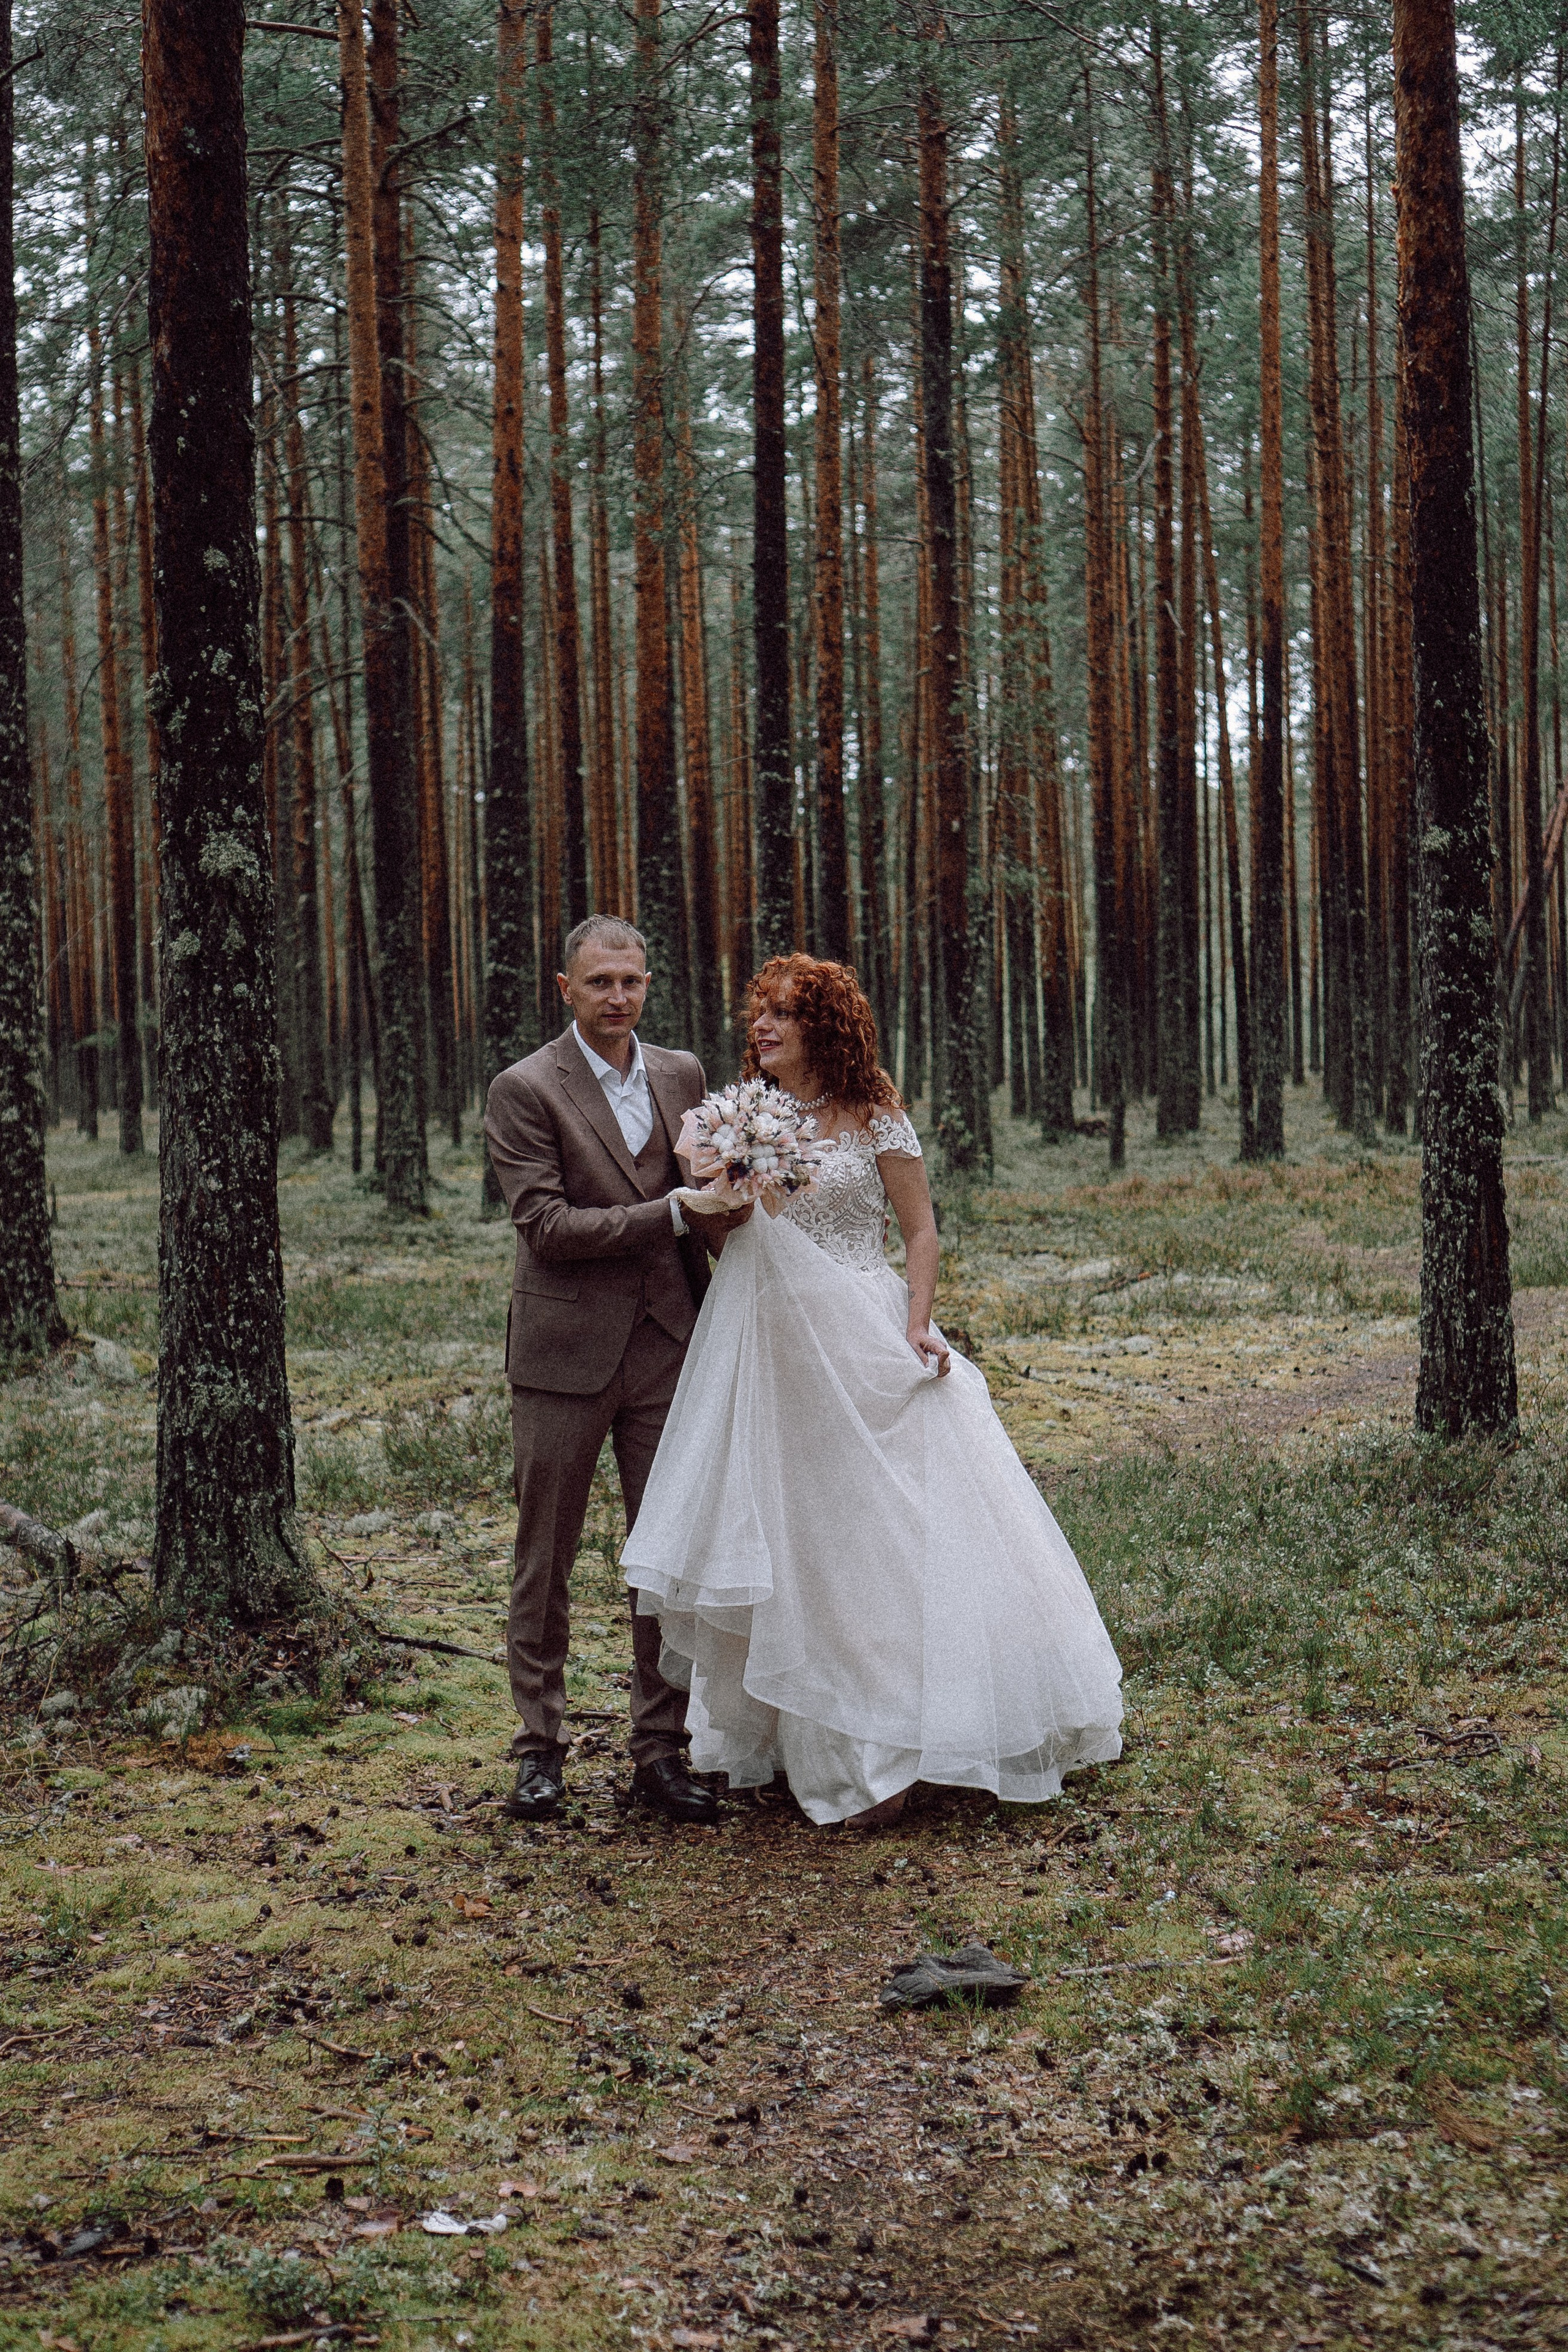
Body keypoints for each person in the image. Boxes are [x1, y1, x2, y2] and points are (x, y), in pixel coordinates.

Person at [622, 953, 1124, 1830]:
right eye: (759, 1013)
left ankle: (907, 1747)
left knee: (879, 1540)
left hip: (864, 1329)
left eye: (784, 1013)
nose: (764, 1027)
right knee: (798, 1539)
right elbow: (729, 1242)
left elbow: (921, 1228)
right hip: (771, 1347)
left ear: (826, 1024)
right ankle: (817, 1743)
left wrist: (920, 1323)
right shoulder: (740, 1118)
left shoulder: (873, 1111)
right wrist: (724, 1188)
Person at [483, 914, 750, 1823]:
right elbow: (547, 1229)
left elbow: (709, 1204)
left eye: (631, 981)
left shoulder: (683, 1075)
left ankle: (660, 1750)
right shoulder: (524, 1089)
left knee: (666, 1557)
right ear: (566, 988)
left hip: (670, 1346)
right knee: (543, 1557)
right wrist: (676, 1213)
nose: (617, 998)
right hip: (562, 1357)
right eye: (599, 982)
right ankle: (538, 1750)